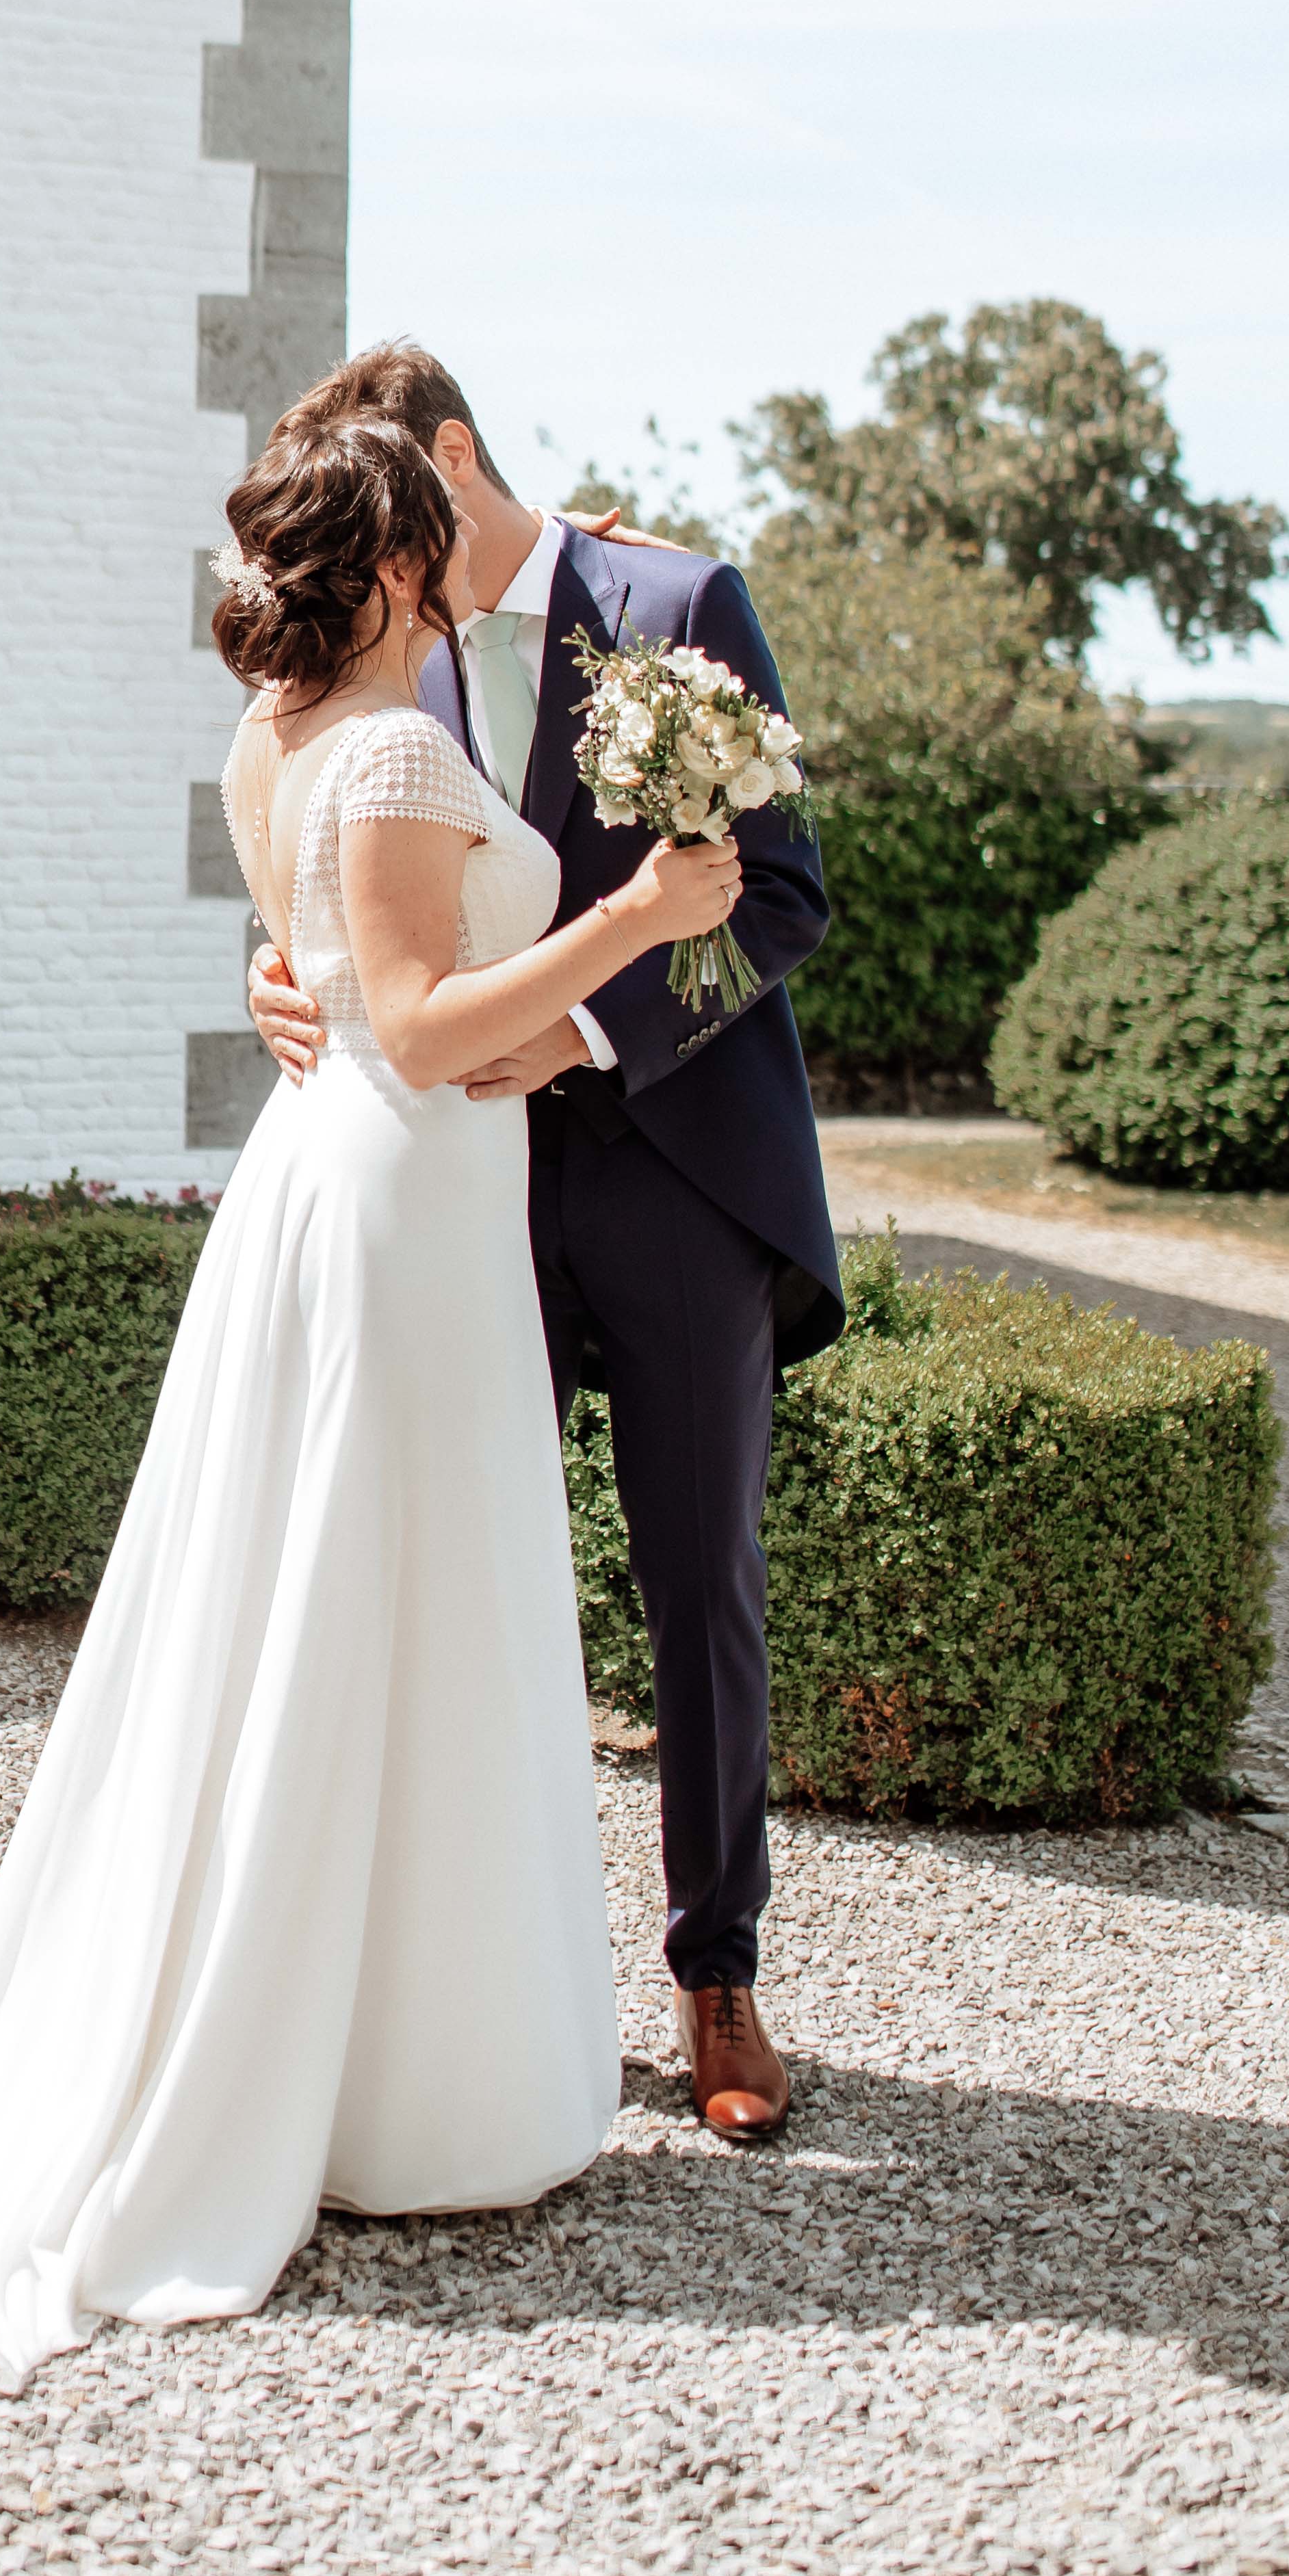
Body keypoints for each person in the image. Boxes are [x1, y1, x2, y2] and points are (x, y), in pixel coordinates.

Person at [0, 410, 744, 2390]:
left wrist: (446, 1013)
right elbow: (428, 1029)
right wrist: (634, 921)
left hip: (329, 1191)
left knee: (319, 1608)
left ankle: (334, 2045)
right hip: (401, 1206)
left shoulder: (272, 744)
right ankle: (393, 2088)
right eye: (454, 556)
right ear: (418, 571)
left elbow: (332, 982)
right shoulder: (409, 748)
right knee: (386, 1609)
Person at [249, 347, 839, 2144]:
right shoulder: (374, 644)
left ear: (448, 458)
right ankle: (450, 1991)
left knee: (697, 1581)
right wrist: (284, 978)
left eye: (387, 501)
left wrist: (590, 1033)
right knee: (445, 1566)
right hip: (452, 1182)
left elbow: (781, 900)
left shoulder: (671, 601)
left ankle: (716, 1979)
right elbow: (348, 871)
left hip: (672, 1177)